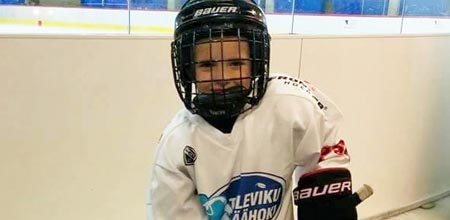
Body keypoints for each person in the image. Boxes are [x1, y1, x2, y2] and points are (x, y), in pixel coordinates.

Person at [148, 0, 361, 219]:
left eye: (236, 63)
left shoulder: (289, 105)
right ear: (187, 70)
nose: (223, 77)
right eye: (207, 65)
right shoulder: (176, 143)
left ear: (257, 63)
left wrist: (327, 196)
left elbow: (326, 148)